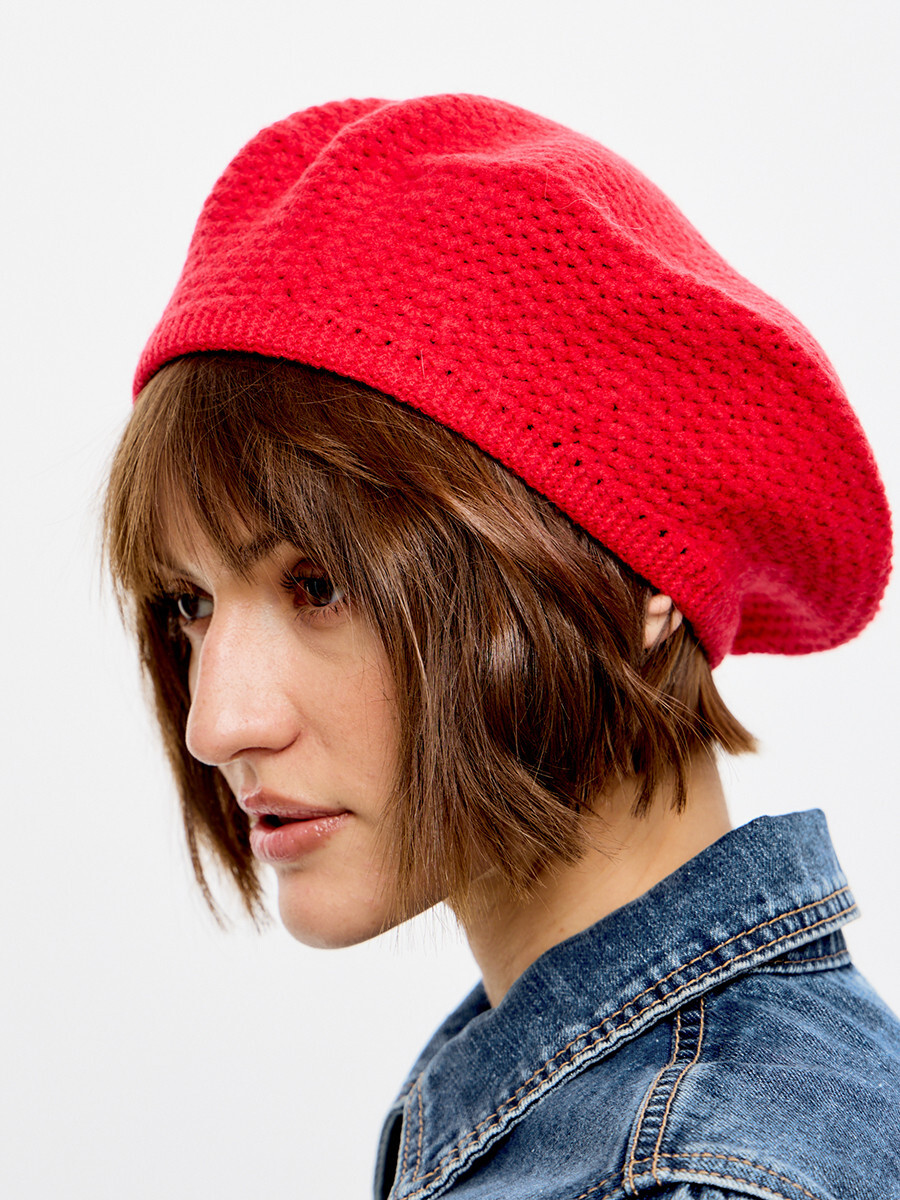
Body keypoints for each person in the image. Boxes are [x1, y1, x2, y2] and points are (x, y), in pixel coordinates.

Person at [104, 94, 899, 1198]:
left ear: (640, 583)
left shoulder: (692, 1173)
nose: (216, 723)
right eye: (189, 604)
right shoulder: (629, 1113)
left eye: (320, 585)